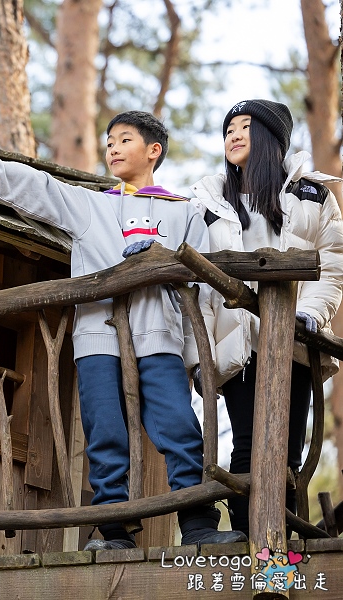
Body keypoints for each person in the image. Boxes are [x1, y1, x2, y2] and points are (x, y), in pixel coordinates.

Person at [0, 111, 246, 550]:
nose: (112, 148)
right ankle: (112, 530)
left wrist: (198, 356)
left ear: (153, 151)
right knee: (104, 431)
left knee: (178, 427)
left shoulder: (186, 214)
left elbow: (201, 287)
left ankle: (197, 524)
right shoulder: (90, 205)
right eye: (109, 141)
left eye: (125, 140)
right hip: (98, 337)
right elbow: (39, 186)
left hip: (161, 338)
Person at [188, 99, 343, 535]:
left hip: (294, 341)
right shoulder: (209, 204)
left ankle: (282, 544)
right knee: (248, 446)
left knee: (287, 450)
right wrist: (199, 355)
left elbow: (331, 262)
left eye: (245, 126)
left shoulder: (312, 196)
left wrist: (311, 313)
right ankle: (247, 541)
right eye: (228, 129)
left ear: (273, 139)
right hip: (237, 344)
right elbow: (198, 286)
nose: (234, 135)